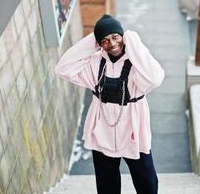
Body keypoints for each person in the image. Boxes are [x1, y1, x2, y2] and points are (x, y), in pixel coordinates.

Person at [55, 14, 165, 194]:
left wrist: (133, 41)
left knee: (146, 179)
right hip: (103, 130)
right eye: (105, 41)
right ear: (99, 44)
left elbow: (155, 78)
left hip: (133, 130)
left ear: (123, 36)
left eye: (115, 37)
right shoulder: (95, 63)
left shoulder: (137, 64)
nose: (112, 44)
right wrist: (94, 38)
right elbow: (62, 68)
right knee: (106, 183)